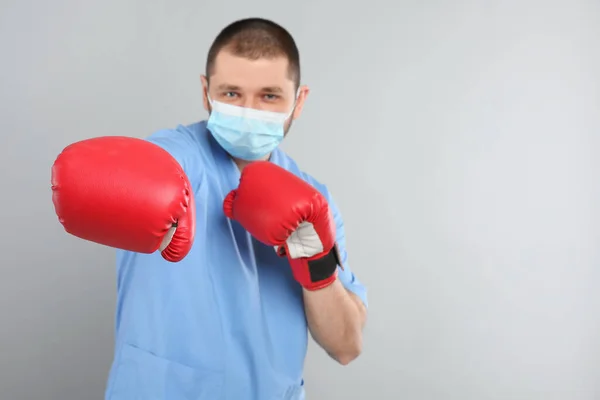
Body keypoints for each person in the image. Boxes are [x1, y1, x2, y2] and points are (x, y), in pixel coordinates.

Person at [51, 17, 368, 400]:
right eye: (232, 94)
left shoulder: (316, 199)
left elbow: (346, 346)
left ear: (298, 101)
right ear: (206, 93)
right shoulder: (176, 160)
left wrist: (316, 261)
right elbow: (139, 166)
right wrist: (124, 184)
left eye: (269, 96)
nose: (249, 111)